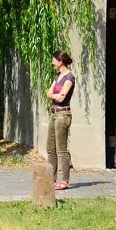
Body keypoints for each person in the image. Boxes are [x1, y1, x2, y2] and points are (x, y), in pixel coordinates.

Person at [46, 50, 75, 190]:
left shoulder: (69, 77)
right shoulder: (58, 76)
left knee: (61, 149)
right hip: (53, 114)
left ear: (60, 61)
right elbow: (48, 92)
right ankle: (51, 178)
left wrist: (54, 94)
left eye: (54, 60)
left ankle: (64, 180)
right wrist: (54, 95)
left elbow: (62, 97)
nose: (52, 62)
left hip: (63, 115)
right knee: (50, 148)